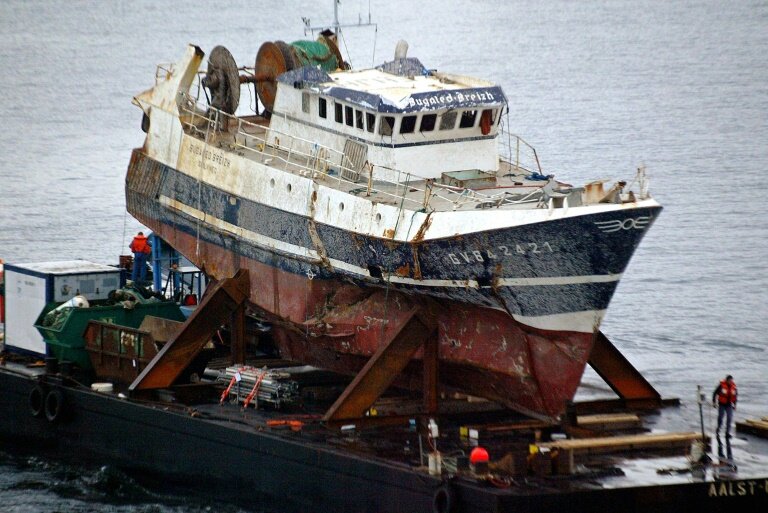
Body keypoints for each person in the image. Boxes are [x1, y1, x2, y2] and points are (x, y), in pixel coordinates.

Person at [712, 374, 737, 439]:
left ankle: (727, 433)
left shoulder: (733, 387)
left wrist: (735, 405)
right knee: (720, 417)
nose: (730, 381)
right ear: (726, 380)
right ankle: (718, 430)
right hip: (722, 404)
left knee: (729, 418)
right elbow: (715, 393)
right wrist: (714, 402)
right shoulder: (721, 386)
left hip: (729, 405)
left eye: (731, 380)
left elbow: (735, 396)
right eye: (729, 380)